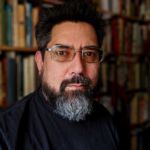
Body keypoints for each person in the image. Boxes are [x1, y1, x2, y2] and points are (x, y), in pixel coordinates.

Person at [0, 0, 119, 149]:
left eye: (89, 53)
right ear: (40, 62)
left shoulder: (106, 119)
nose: (79, 68)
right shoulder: (5, 133)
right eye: (62, 52)